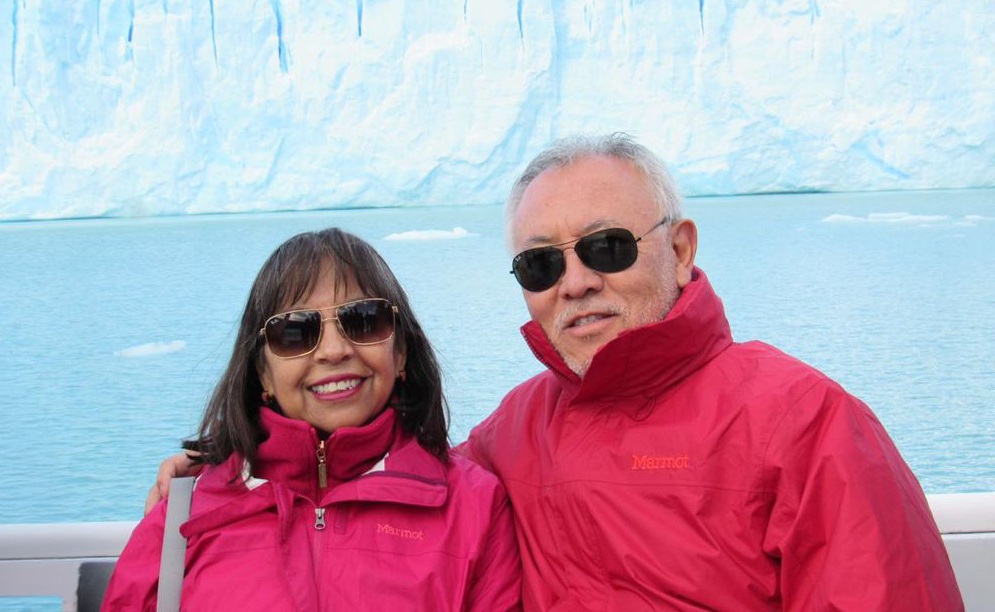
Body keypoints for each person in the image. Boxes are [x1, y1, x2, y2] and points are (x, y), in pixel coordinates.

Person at [150, 135, 963, 610]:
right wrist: (225, 473)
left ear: (679, 250)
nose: (574, 282)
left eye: (606, 248)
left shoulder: (804, 421)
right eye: (540, 265)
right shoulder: (515, 434)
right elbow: (386, 482)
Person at [105, 229, 521, 611]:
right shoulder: (182, 517)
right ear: (262, 373)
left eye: (364, 320)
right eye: (295, 332)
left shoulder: (473, 507)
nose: (334, 351)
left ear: (402, 353)